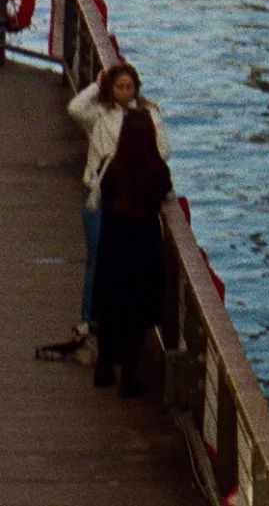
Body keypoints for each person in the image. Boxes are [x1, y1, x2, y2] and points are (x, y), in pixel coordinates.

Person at [66, 61, 169, 340]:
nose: (125, 92)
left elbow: (163, 150)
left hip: (127, 195)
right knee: (97, 256)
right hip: (98, 191)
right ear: (111, 89)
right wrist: (96, 85)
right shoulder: (100, 114)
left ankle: (111, 320)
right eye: (119, 87)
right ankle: (88, 318)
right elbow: (75, 108)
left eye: (129, 87)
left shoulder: (148, 116)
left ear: (136, 90)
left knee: (118, 260)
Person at [88, 82, 174, 393]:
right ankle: (128, 379)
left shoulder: (113, 170)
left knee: (111, 308)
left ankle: (103, 368)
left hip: (113, 245)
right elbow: (163, 189)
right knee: (139, 311)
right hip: (143, 246)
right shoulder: (156, 173)